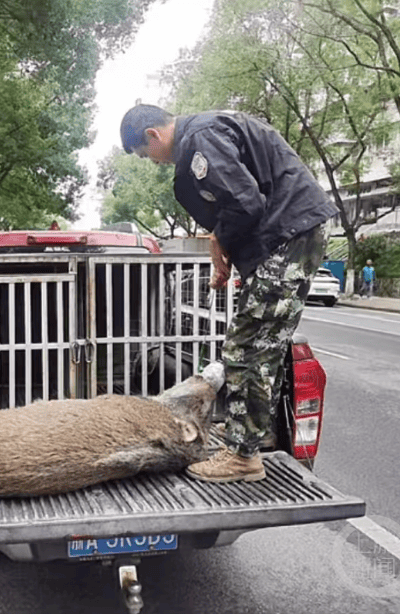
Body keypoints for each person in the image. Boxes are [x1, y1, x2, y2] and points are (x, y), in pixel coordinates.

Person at [120, 104, 337, 482]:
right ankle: (243, 441)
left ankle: (242, 457)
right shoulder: (205, 133)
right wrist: (225, 246)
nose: (150, 161)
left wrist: (221, 238)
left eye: (143, 154)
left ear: (153, 136)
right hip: (290, 232)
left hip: (289, 233)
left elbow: (244, 203)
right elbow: (244, 200)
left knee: (246, 348)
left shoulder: (200, 140)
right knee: (258, 346)